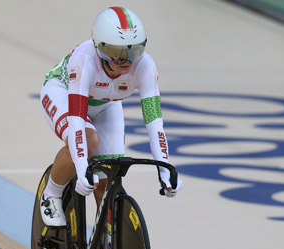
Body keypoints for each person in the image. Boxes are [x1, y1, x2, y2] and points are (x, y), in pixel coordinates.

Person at [39, 6, 182, 227]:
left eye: (135, 49)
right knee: (89, 141)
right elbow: (77, 117)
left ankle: (104, 246)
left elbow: (154, 121)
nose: (127, 60)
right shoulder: (84, 60)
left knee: (109, 175)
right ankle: (51, 193)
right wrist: (80, 167)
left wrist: (165, 170)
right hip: (63, 94)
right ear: (100, 48)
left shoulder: (145, 66)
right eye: (118, 52)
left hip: (106, 104)